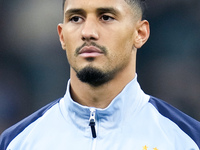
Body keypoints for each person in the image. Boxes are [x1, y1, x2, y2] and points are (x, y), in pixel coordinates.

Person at [0, 0, 200, 149]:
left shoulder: (187, 140)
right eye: (76, 18)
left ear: (140, 34)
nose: (88, 32)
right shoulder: (16, 142)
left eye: (106, 17)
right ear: (62, 36)